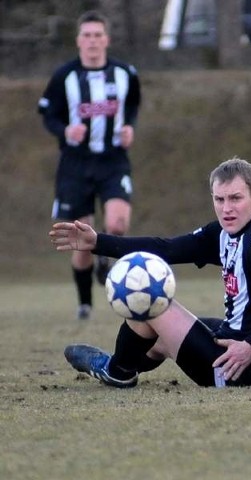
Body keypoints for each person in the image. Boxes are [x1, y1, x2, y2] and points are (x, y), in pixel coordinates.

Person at [49, 158, 251, 388]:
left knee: (148, 297)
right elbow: (166, 249)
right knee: (159, 333)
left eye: (235, 198)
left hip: (247, 372)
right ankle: (122, 366)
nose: (226, 209)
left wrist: (250, 346)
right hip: (240, 347)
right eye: (219, 199)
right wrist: (97, 242)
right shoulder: (225, 233)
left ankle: (116, 370)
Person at [38, 11, 142, 320]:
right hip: (75, 164)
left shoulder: (125, 73)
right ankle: (85, 303)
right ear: (78, 41)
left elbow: (133, 104)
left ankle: (106, 264)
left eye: (98, 35)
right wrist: (65, 131)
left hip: (113, 160)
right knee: (80, 240)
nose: (93, 41)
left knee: (118, 224)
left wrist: (129, 128)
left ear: (106, 40)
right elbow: (47, 114)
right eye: (87, 35)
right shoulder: (64, 77)